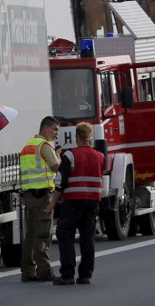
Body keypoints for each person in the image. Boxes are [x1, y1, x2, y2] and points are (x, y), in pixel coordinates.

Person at [46, 122, 104, 285]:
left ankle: (68, 274)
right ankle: (85, 275)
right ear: (89, 137)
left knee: (66, 236)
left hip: (73, 202)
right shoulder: (100, 156)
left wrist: (51, 204)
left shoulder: (70, 155)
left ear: (77, 136)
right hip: (93, 202)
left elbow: (60, 182)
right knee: (87, 238)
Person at [20, 116, 61, 283]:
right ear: (45, 128)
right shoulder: (44, 146)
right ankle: (44, 270)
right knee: (42, 234)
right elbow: (56, 167)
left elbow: (25, 173)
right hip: (43, 196)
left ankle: (27, 271)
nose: (57, 133)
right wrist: (58, 156)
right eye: (55, 129)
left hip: (29, 196)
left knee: (30, 235)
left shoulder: (27, 146)